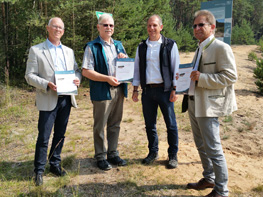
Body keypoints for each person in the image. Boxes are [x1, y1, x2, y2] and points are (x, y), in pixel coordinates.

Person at [182, 10, 237, 197]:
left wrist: (202, 77)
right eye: (195, 25)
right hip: (193, 103)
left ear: (212, 27)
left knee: (213, 148)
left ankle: (221, 190)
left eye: (201, 25)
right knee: (200, 145)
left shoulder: (221, 48)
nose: (197, 28)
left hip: (208, 105)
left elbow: (230, 76)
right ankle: (209, 178)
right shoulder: (200, 47)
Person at [25, 17, 81, 186]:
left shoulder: (69, 51)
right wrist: (46, 84)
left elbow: (77, 71)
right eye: (55, 26)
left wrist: (77, 79)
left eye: (61, 28)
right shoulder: (36, 50)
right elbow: (29, 76)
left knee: (60, 134)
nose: (58, 30)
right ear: (48, 28)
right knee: (43, 136)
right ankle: (39, 170)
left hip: (66, 98)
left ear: (63, 31)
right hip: (48, 97)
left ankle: (54, 164)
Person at [132, 15, 180, 169]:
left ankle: (173, 155)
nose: (151, 28)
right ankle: (153, 152)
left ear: (161, 26)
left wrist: (174, 89)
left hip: (165, 91)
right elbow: (137, 69)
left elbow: (175, 68)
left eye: (154, 25)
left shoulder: (170, 45)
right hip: (147, 92)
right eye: (149, 25)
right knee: (149, 124)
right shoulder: (142, 47)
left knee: (171, 124)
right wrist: (135, 89)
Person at [82, 13, 128, 171]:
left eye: (111, 25)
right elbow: (86, 71)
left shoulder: (119, 45)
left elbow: (127, 68)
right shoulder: (92, 46)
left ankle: (113, 153)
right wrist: (107, 79)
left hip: (119, 90)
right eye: (105, 25)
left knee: (115, 124)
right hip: (102, 90)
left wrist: (124, 58)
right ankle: (100, 156)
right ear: (98, 27)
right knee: (100, 125)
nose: (109, 28)